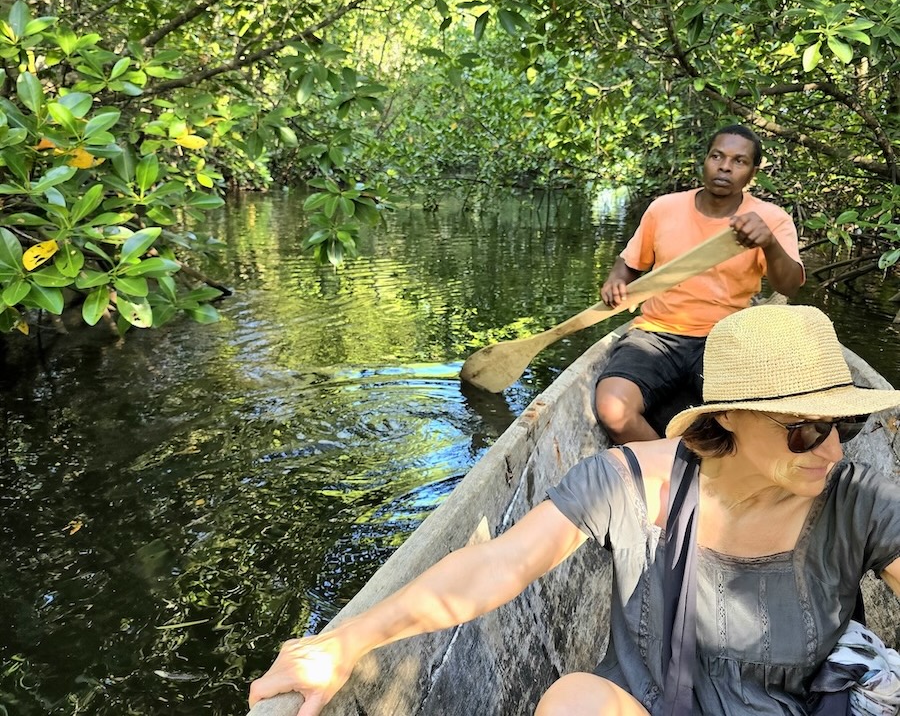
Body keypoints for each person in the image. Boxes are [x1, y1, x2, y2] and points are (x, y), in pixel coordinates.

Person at [248, 304, 900, 716]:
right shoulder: (631, 481)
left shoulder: (857, 499)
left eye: (843, 425)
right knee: (572, 701)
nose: (832, 449)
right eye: (805, 428)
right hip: (655, 704)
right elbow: (499, 564)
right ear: (729, 417)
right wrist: (348, 640)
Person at [596, 123, 805, 443]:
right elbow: (628, 265)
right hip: (655, 335)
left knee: (759, 420)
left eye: (739, 161)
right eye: (717, 156)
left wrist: (770, 244)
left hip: (725, 337)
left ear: (752, 172)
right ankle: (670, 464)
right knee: (612, 409)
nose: (725, 166)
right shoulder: (663, 209)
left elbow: (789, 285)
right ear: (705, 161)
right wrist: (615, 282)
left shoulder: (770, 219)